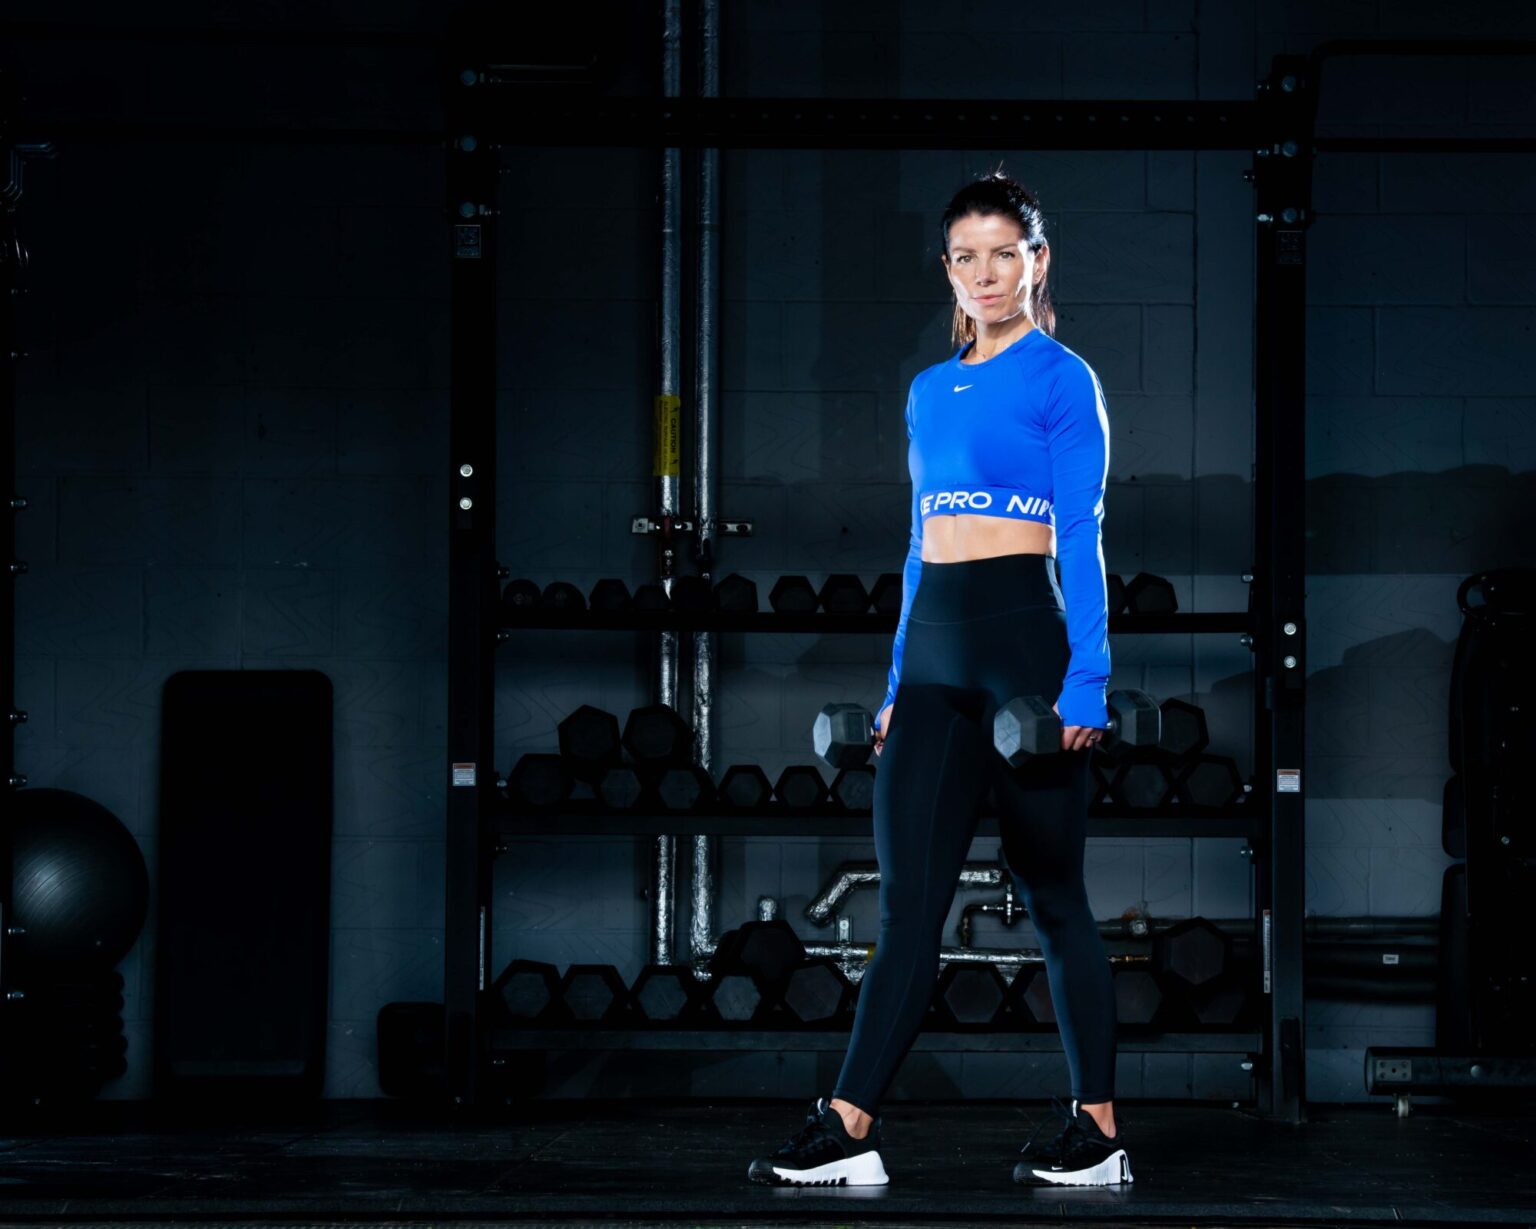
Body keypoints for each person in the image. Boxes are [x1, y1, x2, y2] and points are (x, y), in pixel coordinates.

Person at [748, 169, 1132, 1189]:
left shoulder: (1062, 379)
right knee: (906, 911)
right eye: (966, 256)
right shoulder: (927, 389)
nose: (985, 273)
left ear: (1036, 261)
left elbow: (1083, 535)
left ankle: (1097, 1131)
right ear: (949, 269)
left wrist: (1088, 683)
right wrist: (894, 683)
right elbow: (919, 547)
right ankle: (849, 1124)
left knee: (1054, 898)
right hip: (932, 661)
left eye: (1004, 253)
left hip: (1026, 653)